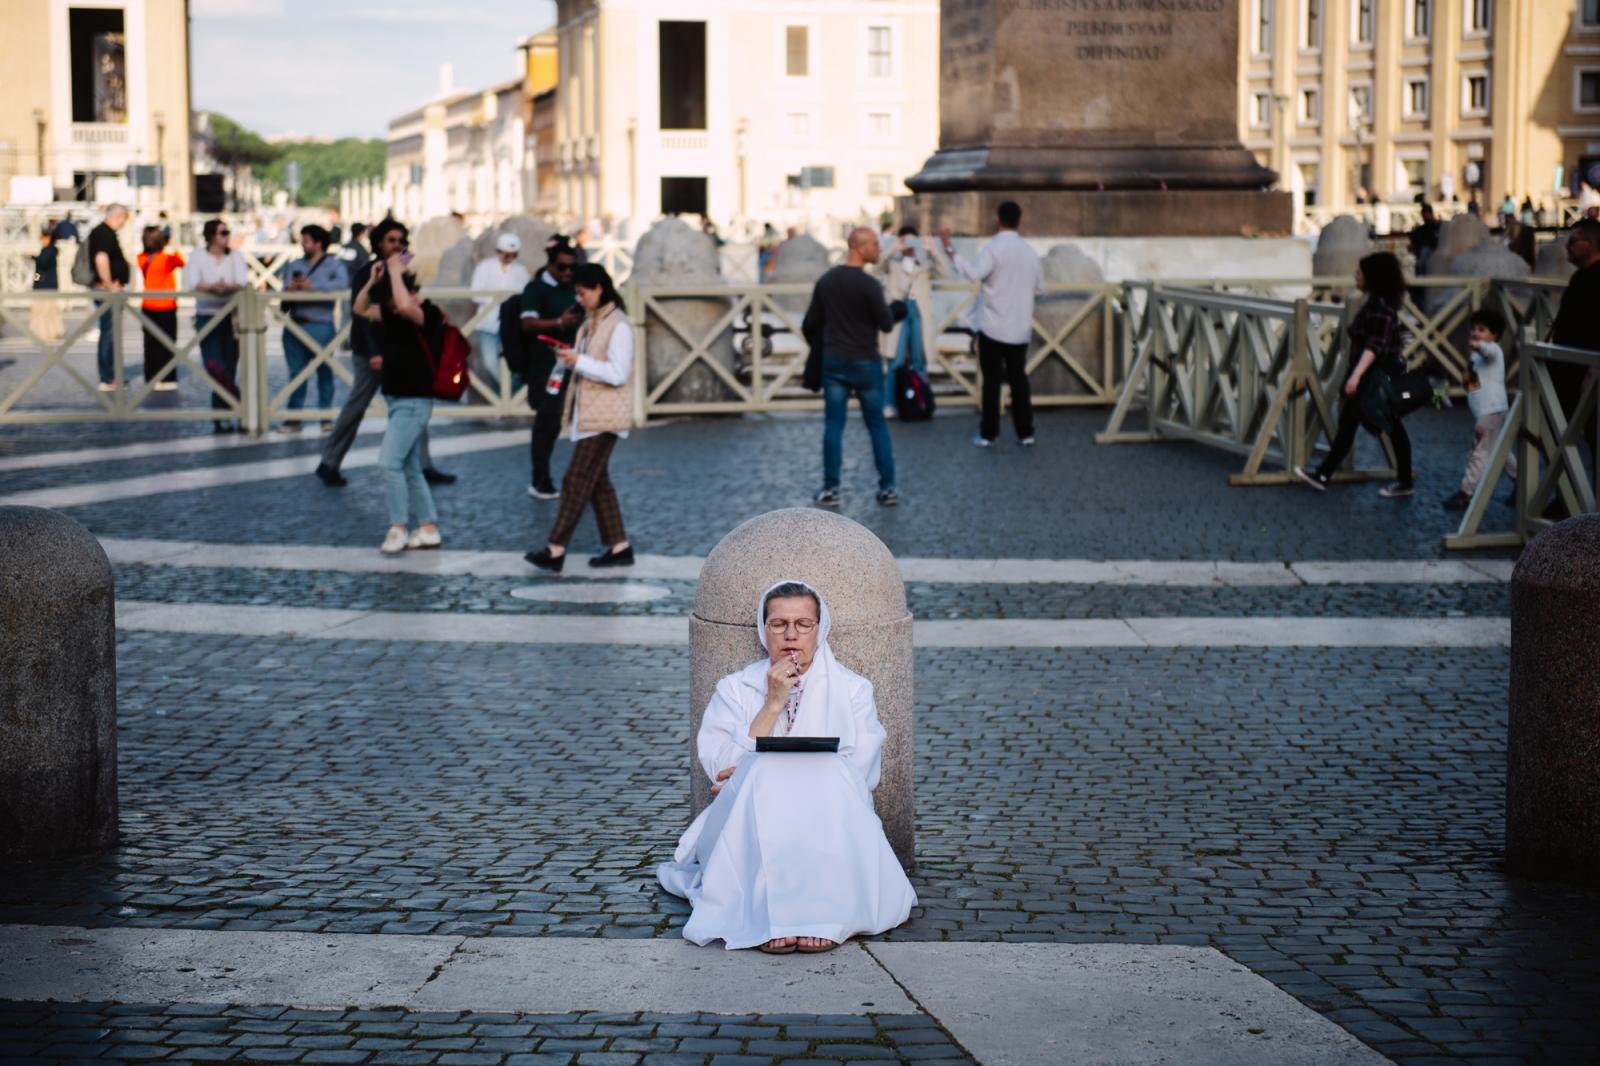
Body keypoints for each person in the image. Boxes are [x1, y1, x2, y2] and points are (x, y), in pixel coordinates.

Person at [657, 580, 916, 953]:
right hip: (748, 816)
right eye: (779, 624)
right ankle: (767, 918)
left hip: (828, 816)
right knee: (764, 774)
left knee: (791, 773)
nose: (791, 635)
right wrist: (773, 703)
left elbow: (859, 775)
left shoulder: (854, 690)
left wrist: (757, 768)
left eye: (803, 624)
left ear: (819, 628)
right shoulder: (735, 688)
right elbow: (720, 767)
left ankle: (823, 914)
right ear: (764, 629)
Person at [316, 218, 452, 487]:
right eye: (392, 240)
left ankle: (424, 464)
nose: (397, 245)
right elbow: (363, 314)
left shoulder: (402, 273)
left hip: (400, 348)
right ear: (379, 242)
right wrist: (374, 352)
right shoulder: (368, 271)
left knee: (415, 403)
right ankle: (329, 462)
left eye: (401, 241)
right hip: (373, 352)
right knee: (357, 405)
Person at [524, 263, 636, 572]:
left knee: (575, 480)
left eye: (583, 292)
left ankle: (555, 549)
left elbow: (617, 373)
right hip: (588, 414)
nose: (579, 298)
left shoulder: (619, 325)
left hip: (604, 417)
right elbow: (592, 364)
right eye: (577, 292)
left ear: (600, 288)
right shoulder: (590, 323)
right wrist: (572, 358)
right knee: (598, 482)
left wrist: (579, 360)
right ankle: (619, 546)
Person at [1293, 252, 1417, 498]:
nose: (1355, 276)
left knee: (1387, 427)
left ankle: (1402, 481)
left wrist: (1355, 376)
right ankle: (1324, 474)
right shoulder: (1375, 303)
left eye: (1360, 273)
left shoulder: (1379, 307)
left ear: (1372, 277)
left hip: (1374, 375)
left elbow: (1375, 346)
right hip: (1371, 374)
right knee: (1355, 425)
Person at [801, 227, 904, 507]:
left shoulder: (827, 281)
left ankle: (830, 488)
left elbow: (810, 324)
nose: (879, 249)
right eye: (874, 244)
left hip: (835, 361)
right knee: (877, 427)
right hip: (865, 362)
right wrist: (898, 309)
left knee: (833, 426)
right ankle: (888, 488)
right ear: (858, 247)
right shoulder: (869, 285)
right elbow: (885, 323)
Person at [355, 252, 444, 555]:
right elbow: (359, 307)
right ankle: (429, 526)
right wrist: (371, 281)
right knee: (409, 467)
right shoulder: (392, 315)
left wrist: (394, 271)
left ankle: (398, 527)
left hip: (415, 401)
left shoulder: (426, 313)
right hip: (396, 399)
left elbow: (406, 304)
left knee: (389, 463)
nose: (401, 300)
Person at [939, 201, 1045, 447]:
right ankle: (1025, 432)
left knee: (991, 382)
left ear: (998, 219)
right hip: (1019, 327)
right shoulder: (1029, 251)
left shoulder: (994, 248)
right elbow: (1039, 288)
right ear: (1019, 220)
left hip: (993, 325)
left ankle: (989, 433)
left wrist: (950, 250)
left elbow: (973, 273)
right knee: (1019, 381)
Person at [518, 238, 582, 498]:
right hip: (547, 368)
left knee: (583, 422)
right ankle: (540, 478)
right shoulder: (535, 288)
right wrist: (560, 321)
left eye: (571, 268)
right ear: (550, 265)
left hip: (578, 365)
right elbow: (528, 324)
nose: (567, 272)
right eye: (562, 267)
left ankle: (586, 480)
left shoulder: (575, 287)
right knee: (547, 423)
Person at [1442, 308, 1516, 510]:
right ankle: (1521, 483)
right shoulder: (1475, 358)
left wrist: (1479, 345)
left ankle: (1465, 493)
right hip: (1487, 411)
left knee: (1479, 452)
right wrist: (1466, 375)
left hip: (1491, 410)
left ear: (1494, 335)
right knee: (1499, 450)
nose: (1475, 333)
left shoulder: (1494, 351)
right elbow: (1472, 387)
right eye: (1473, 329)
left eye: (1481, 330)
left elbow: (1488, 351)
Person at [280, 224, 350, 430]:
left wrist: (314, 288)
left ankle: (325, 416)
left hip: (321, 324)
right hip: (295, 324)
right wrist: (291, 289)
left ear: (319, 243)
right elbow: (284, 290)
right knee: (296, 374)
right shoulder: (294, 265)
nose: (303, 244)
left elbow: (343, 285)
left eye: (307, 240)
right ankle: (294, 418)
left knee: (325, 372)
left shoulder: (334, 265)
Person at [188, 219, 249, 431]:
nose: (227, 236)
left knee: (230, 366)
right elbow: (191, 281)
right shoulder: (197, 255)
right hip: (206, 315)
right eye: (223, 233)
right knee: (214, 366)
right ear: (212, 235)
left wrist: (224, 287)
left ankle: (224, 415)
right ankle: (241, 403)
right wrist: (214, 288)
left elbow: (242, 280)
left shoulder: (236, 256)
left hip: (231, 316)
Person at [1549, 218, 1600, 461]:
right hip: (1569, 367)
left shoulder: (1592, 279)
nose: (1567, 247)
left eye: (1572, 242)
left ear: (1589, 244)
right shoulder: (1580, 277)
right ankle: (1565, 495)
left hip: (1583, 369)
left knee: (1590, 433)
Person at [878, 225, 946, 393]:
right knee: (895, 358)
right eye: (905, 240)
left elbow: (944, 273)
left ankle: (921, 402)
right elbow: (876, 268)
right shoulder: (893, 263)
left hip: (919, 311)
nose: (909, 244)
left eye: (912, 240)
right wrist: (893, 248)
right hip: (898, 312)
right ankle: (890, 403)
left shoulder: (923, 264)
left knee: (919, 359)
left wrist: (933, 250)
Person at [469, 232, 531, 396]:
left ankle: (508, 398)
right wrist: (497, 301)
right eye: (506, 254)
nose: (510, 258)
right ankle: (506, 396)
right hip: (488, 322)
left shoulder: (521, 270)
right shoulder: (484, 267)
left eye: (513, 255)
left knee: (515, 362)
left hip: (511, 324)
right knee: (490, 364)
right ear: (499, 251)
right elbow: (475, 293)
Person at [88, 204, 131, 390]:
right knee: (108, 334)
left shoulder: (102, 232)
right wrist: (109, 285)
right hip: (107, 292)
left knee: (110, 334)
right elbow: (101, 258)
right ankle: (108, 378)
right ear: (119, 216)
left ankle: (111, 375)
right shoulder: (104, 233)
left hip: (107, 290)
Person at [136, 225, 184, 389]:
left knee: (150, 344)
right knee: (168, 343)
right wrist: (173, 245)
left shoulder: (141, 258)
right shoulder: (165, 258)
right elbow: (181, 262)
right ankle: (168, 378)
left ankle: (152, 377)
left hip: (148, 304)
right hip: (166, 305)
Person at [30, 225, 63, 343]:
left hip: (46, 285)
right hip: (43, 283)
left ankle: (47, 332)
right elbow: (38, 271)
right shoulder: (48, 250)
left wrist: (33, 257)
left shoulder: (50, 250)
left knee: (45, 310)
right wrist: (35, 282)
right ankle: (44, 332)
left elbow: (42, 266)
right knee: (43, 310)